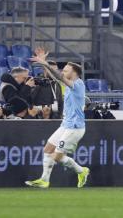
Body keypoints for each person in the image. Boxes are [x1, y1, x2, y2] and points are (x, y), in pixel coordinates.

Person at [25, 47, 90, 188]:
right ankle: (44, 180)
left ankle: (82, 170)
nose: (63, 72)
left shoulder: (78, 85)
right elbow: (56, 77)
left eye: (66, 70)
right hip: (65, 125)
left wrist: (46, 64)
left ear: (75, 73)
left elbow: (59, 77)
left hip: (75, 128)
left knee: (57, 157)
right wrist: (43, 62)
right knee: (48, 150)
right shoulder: (68, 84)